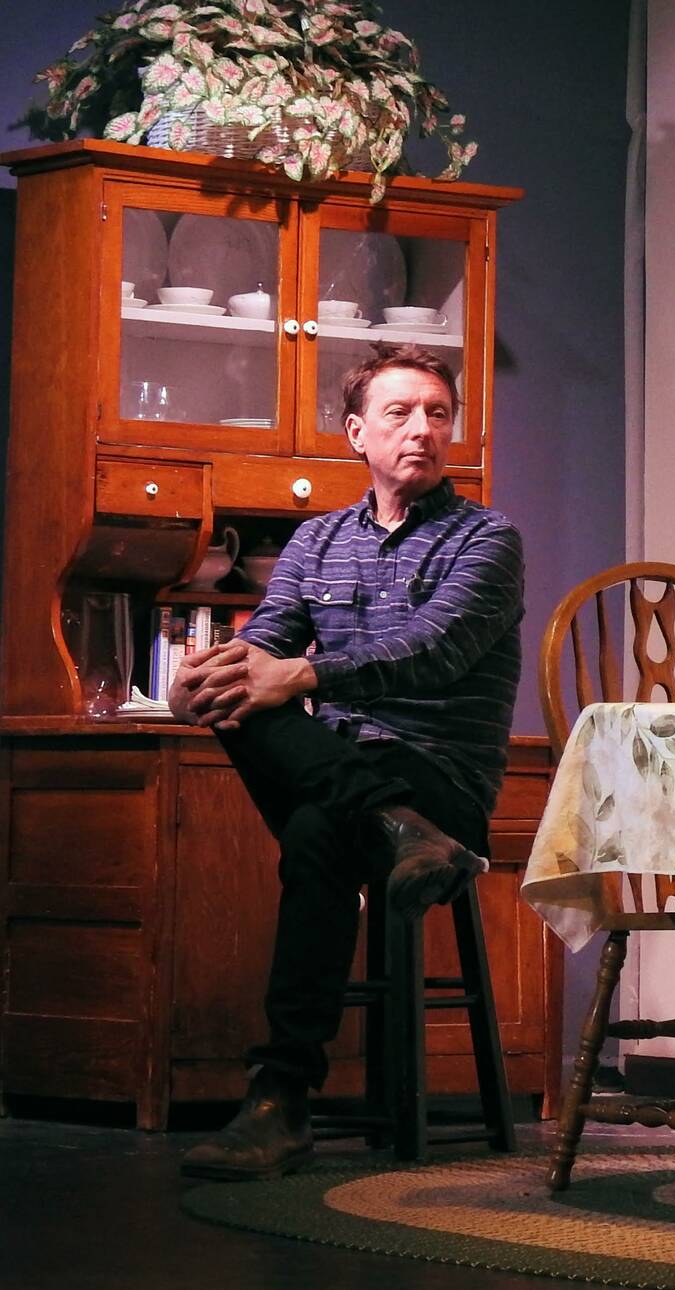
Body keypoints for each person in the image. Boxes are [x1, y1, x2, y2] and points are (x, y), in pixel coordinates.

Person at [174, 345, 525, 1181]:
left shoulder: (488, 539)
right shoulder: (316, 541)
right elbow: (262, 648)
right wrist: (200, 682)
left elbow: (432, 650)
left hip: (442, 787)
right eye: (400, 413)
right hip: (354, 776)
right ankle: (387, 825)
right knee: (243, 706)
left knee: (315, 831)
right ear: (358, 433)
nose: (422, 429)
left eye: (438, 414)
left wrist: (299, 675)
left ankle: (279, 1101)